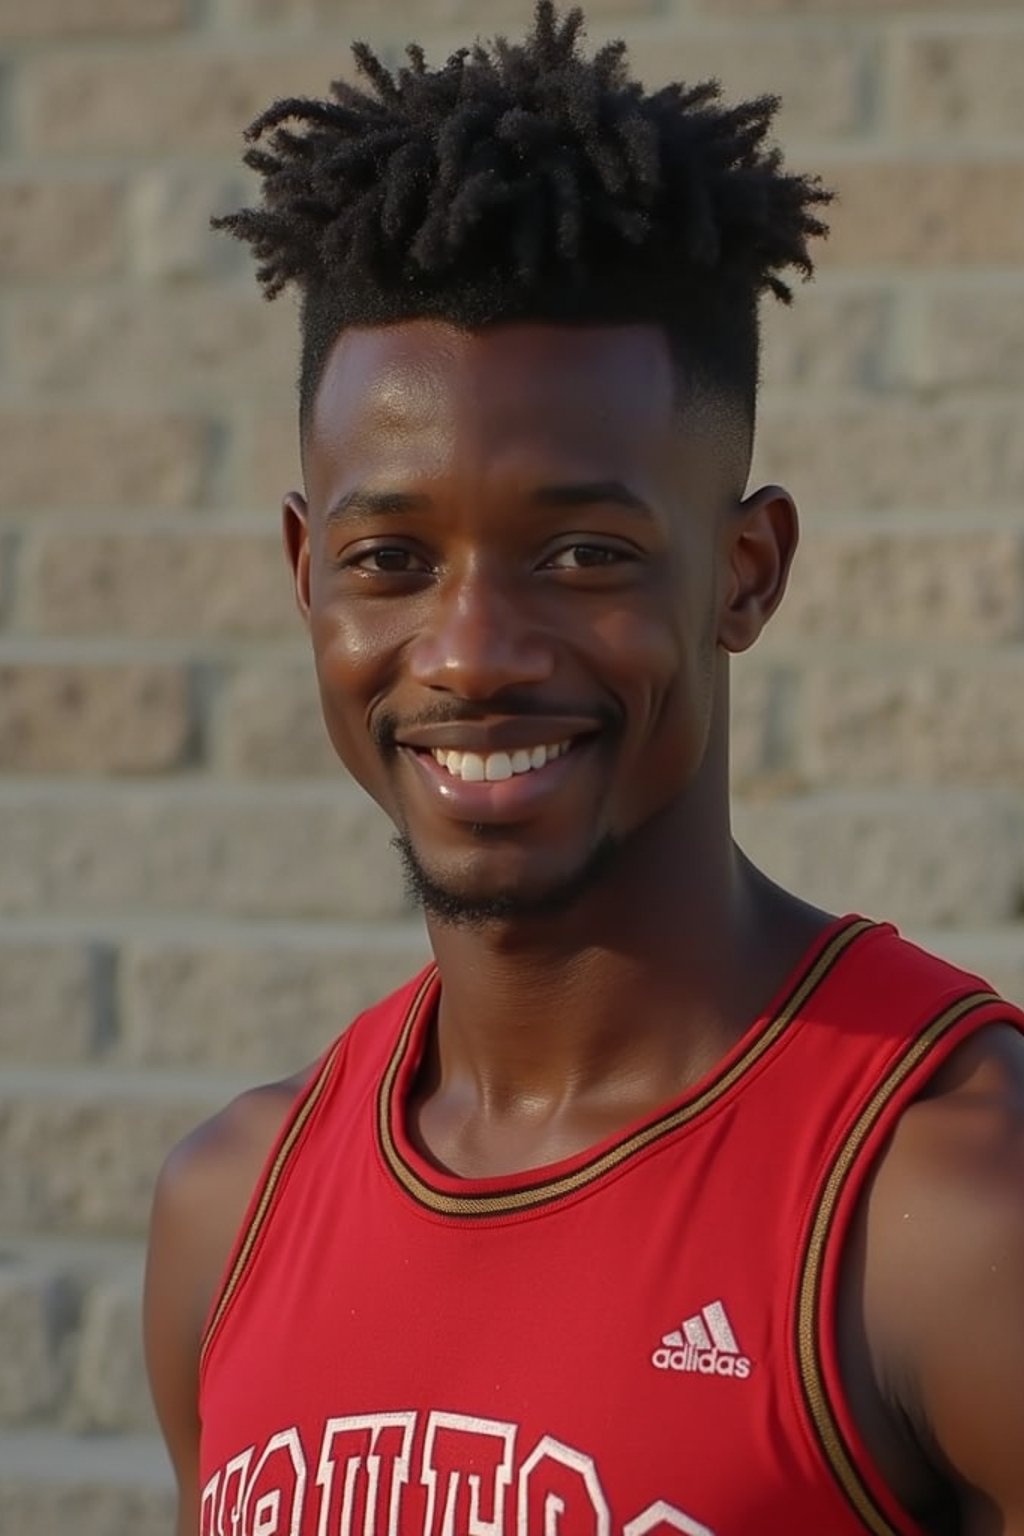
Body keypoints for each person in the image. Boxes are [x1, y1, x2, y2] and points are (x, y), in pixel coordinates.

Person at [143, 7, 1024, 1534]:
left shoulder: (953, 1209)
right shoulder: (229, 1209)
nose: (472, 649)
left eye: (583, 552)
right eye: (392, 559)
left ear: (746, 573)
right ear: (306, 576)